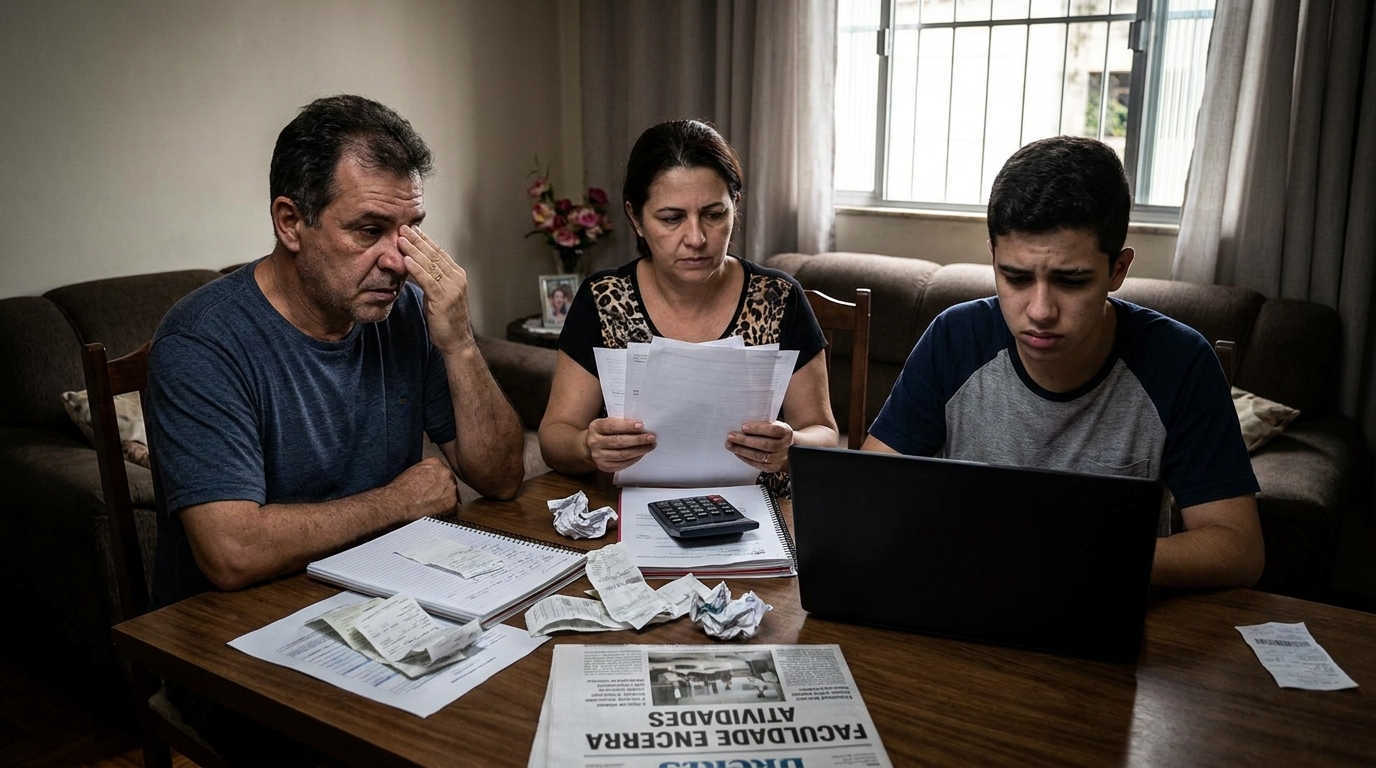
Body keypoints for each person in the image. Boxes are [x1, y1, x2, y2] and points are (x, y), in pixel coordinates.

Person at [144, 95, 524, 762]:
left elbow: (498, 475)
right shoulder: (202, 341)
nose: (398, 261)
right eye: (369, 230)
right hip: (231, 650)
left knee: (515, 707)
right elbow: (232, 553)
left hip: (386, 605)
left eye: (409, 232)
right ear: (291, 221)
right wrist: (400, 501)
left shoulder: (403, 310)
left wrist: (460, 341)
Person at [863, 135, 1265, 589]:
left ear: (1118, 270)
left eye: (1070, 281)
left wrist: (1069, 557)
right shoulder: (954, 338)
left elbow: (1237, 547)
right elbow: (872, 491)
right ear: (992, 257)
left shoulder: (1180, 361)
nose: (1039, 310)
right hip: (970, 597)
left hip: (1104, 604)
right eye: (1015, 277)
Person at [538, 119, 838, 490]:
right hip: (633, 515)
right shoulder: (603, 299)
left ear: (735, 206)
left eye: (714, 215)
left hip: (759, 515)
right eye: (672, 218)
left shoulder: (778, 297)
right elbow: (554, 437)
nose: (695, 238)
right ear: (636, 218)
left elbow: (824, 432)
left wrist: (793, 444)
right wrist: (587, 446)